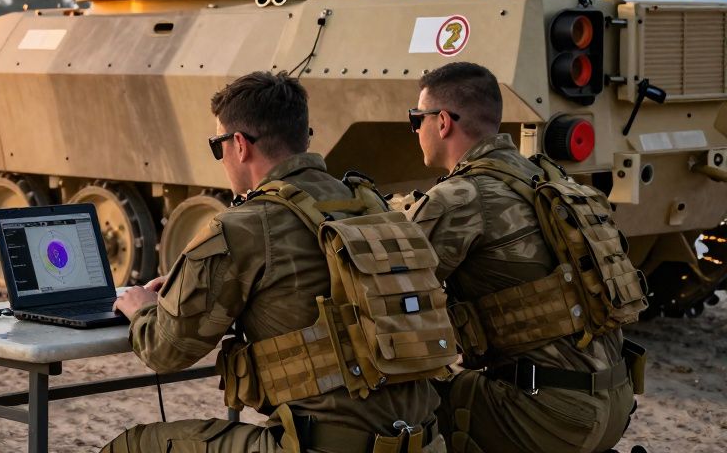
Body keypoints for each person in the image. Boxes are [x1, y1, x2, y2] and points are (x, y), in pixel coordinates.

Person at [102, 70, 445, 453]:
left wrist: (142, 309)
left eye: (219, 147)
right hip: (423, 441)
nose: (221, 158)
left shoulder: (243, 226)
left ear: (240, 145)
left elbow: (165, 350)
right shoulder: (369, 203)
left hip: (326, 447)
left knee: (132, 445)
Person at [405, 61, 638, 453]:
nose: (416, 130)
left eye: (417, 119)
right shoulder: (547, 179)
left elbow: (388, 289)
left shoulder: (461, 196)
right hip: (612, 401)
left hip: (551, 416)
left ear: (442, 122)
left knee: (391, 415)